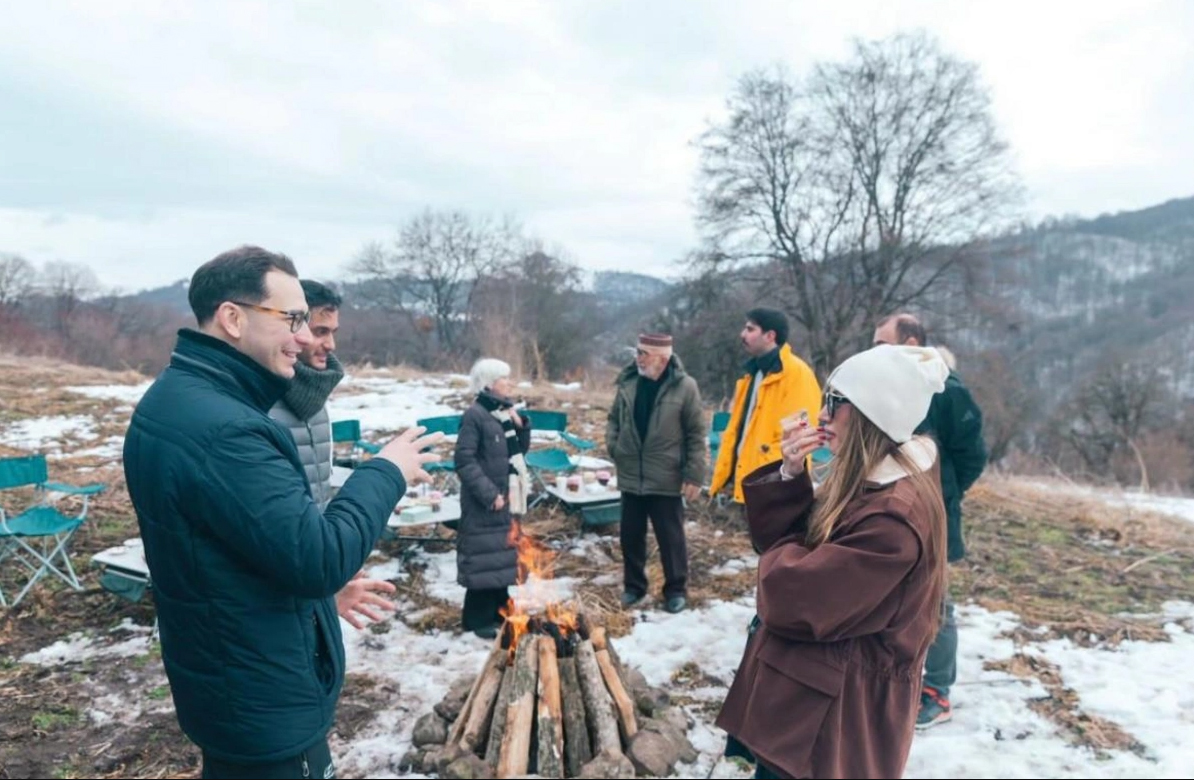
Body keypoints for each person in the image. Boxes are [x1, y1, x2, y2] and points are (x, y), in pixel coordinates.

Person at [123, 246, 442, 779]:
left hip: (230, 679)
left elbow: (231, 549)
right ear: (232, 318)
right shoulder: (227, 430)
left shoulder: (176, 398)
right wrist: (385, 471)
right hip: (261, 699)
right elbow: (318, 557)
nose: (303, 334)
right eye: (292, 319)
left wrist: (318, 599)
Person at [716, 344, 950, 779]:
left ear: (869, 414)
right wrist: (790, 471)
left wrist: (783, 557)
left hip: (831, 721)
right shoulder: (869, 479)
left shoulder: (893, 519)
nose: (821, 415)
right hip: (811, 700)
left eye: (834, 403)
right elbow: (797, 546)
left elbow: (792, 599)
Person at [873, 312, 987, 729]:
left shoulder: (947, 391)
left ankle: (937, 692)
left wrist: (943, 497)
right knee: (889, 597)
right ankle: (892, 680)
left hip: (932, 517)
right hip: (889, 512)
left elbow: (973, 455)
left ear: (913, 344)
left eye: (884, 344)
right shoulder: (884, 388)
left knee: (935, 604)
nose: (876, 353)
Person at [267, 280, 397, 631]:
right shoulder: (256, 408)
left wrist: (332, 568)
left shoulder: (314, 402)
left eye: (333, 331)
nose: (331, 345)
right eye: (321, 331)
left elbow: (316, 490)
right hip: (278, 599)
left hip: (312, 576)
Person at [605, 333, 707, 613]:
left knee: (670, 537)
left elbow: (696, 433)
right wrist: (615, 446)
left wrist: (695, 474)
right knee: (630, 535)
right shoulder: (628, 382)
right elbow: (614, 419)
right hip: (631, 475)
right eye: (637, 352)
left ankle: (676, 590)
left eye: (643, 353)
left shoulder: (685, 387)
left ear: (662, 358)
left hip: (666, 475)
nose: (637, 357)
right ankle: (634, 587)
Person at [710, 308, 822, 504]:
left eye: (750, 329)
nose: (742, 335)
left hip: (772, 488)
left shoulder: (797, 375)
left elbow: (801, 433)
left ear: (770, 336)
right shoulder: (752, 374)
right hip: (748, 484)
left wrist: (775, 477)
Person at [454, 358, 531, 640]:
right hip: (486, 501)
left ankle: (500, 611)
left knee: (502, 556)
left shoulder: (502, 414)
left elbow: (518, 453)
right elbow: (464, 460)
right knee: (483, 556)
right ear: (489, 384)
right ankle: (476, 619)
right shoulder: (475, 415)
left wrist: (521, 426)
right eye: (504, 378)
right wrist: (489, 494)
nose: (509, 383)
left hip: (506, 496)